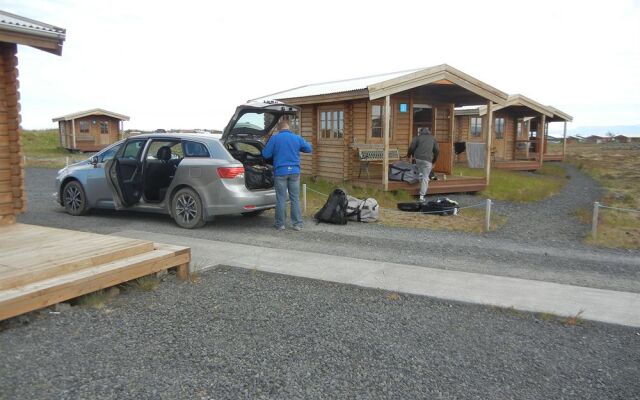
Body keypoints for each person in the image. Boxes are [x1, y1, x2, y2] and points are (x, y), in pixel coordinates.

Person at [262, 117, 312, 231]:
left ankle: (280, 224)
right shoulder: (297, 138)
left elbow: (265, 155)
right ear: (289, 127)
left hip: (280, 172)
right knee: (295, 198)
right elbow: (309, 149)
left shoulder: (275, 138)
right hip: (294, 172)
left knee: (281, 198)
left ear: (279, 129)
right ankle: (297, 224)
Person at [407, 127, 439, 202]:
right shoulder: (433, 138)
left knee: (420, 172)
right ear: (429, 132)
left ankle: (419, 177)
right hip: (428, 160)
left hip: (418, 159)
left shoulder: (417, 138)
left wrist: (409, 156)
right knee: (425, 177)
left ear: (420, 132)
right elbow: (437, 150)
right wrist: (434, 161)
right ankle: (421, 196)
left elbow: (411, 147)